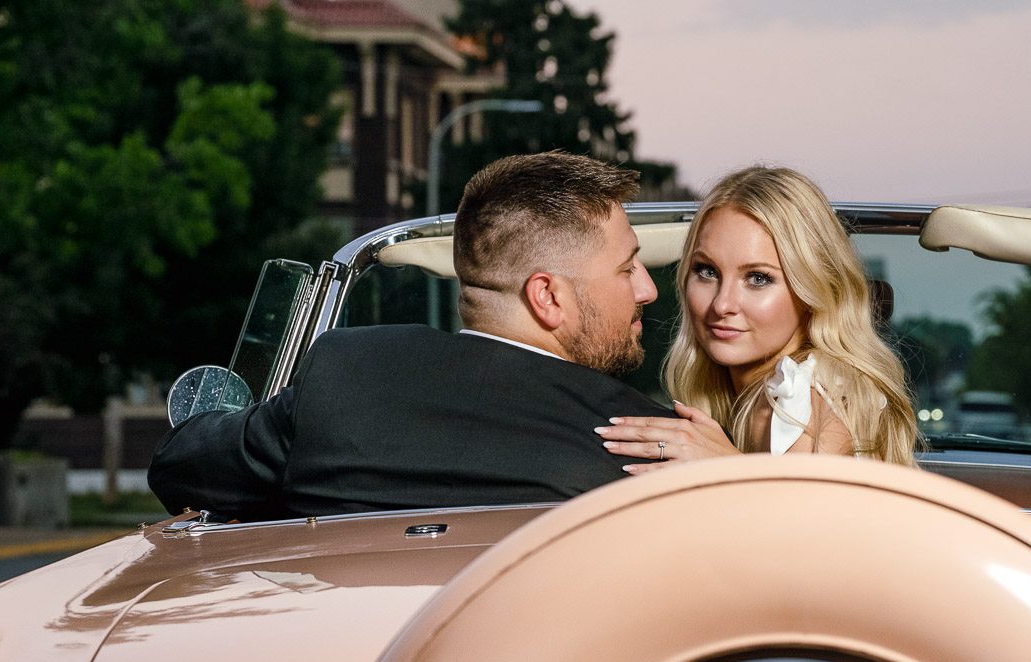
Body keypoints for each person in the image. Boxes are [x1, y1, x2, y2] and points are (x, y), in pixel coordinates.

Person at [149, 151, 674, 520]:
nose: (648, 289)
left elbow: (180, 466)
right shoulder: (650, 442)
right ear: (548, 297)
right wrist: (734, 474)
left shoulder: (346, 377)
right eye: (628, 269)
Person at [595, 165, 918, 469]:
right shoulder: (744, 396)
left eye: (758, 278)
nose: (722, 304)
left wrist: (725, 468)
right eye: (706, 271)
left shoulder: (807, 401)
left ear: (811, 291)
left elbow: (805, 528)